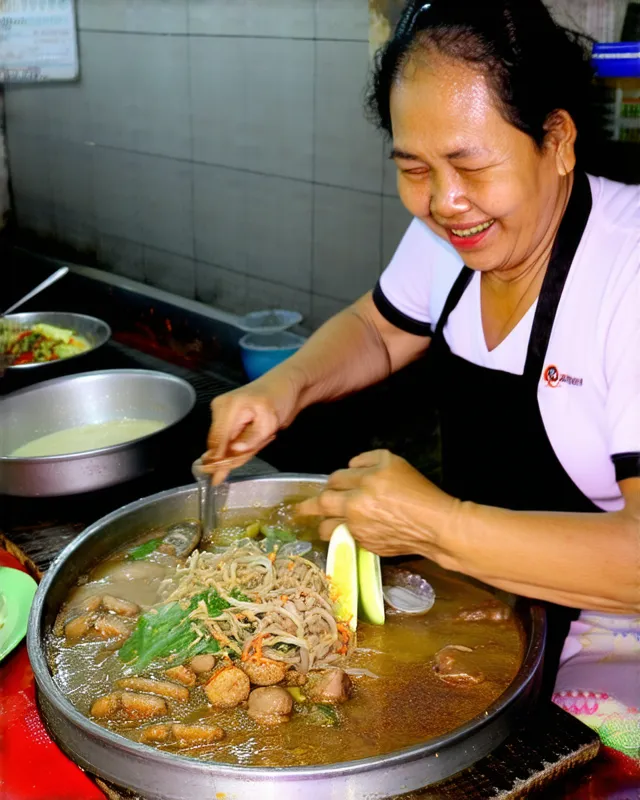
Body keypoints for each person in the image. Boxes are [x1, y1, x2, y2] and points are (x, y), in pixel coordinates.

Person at [203, 0, 640, 756]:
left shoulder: (627, 275)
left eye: (471, 165)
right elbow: (378, 327)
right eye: (414, 169)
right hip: (489, 594)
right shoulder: (456, 233)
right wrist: (287, 388)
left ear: (558, 141)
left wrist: (434, 524)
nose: (442, 203)